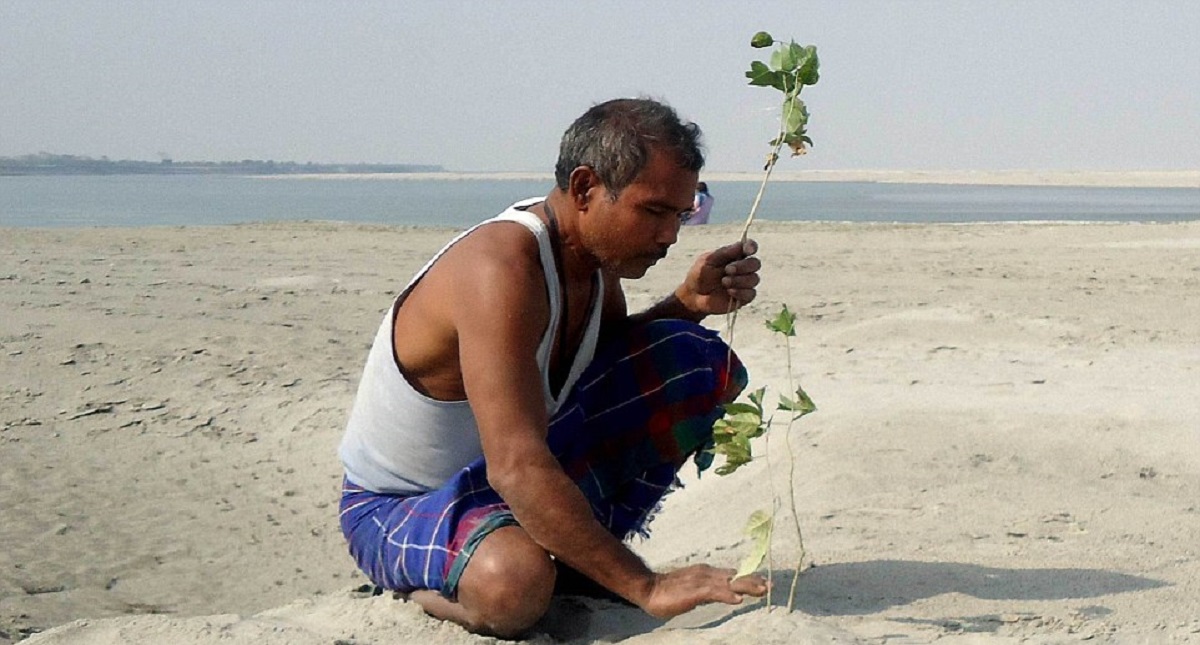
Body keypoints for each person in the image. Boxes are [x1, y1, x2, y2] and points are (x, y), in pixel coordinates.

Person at [337, 97, 766, 638]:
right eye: (654, 212)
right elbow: (516, 465)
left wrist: (686, 303)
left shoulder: (591, 262)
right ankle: (433, 587)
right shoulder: (502, 269)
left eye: (681, 216)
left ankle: (565, 560)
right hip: (398, 505)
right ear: (586, 188)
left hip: (498, 487)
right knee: (514, 583)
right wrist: (646, 587)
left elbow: (601, 375)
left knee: (689, 360)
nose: (670, 236)